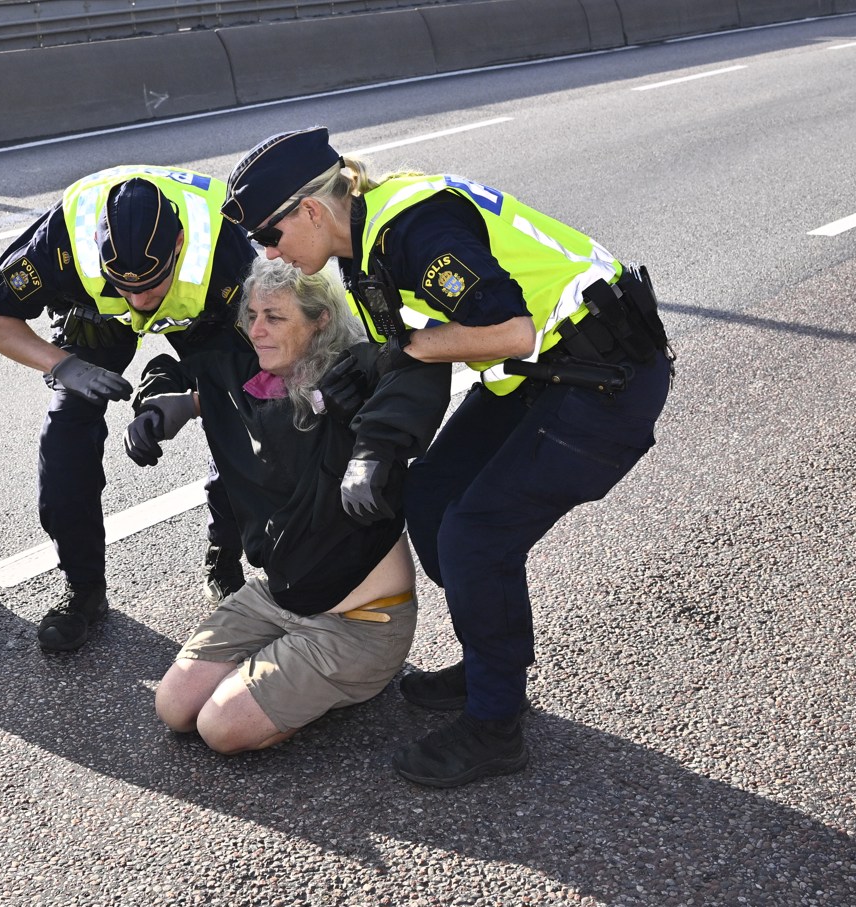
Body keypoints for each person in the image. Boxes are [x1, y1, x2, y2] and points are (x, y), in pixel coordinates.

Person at [220, 127, 673, 785]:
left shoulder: (414, 230)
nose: (270, 252)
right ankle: (489, 659)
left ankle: (496, 725)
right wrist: (372, 412)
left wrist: (409, 350)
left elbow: (506, 330)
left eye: (272, 234)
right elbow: (409, 357)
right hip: (543, 375)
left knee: (475, 535)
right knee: (431, 499)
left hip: (605, 380)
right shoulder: (360, 247)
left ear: (312, 210)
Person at [126, 256, 451, 753]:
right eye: (252, 316)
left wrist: (371, 445)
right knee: (173, 707)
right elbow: (189, 363)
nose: (256, 330)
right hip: (278, 593)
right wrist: (164, 400)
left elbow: (413, 372)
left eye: (274, 317)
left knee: (220, 729)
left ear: (319, 320)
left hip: (358, 623)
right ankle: (275, 676)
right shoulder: (256, 374)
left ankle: (337, 684)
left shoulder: (355, 373)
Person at [0, 166, 256, 653]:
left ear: (181, 243)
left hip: (204, 309)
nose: (140, 301)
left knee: (236, 419)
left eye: (150, 284)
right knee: (63, 439)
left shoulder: (229, 249)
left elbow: (271, 373)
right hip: (97, 315)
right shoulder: (59, 242)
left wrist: (190, 402)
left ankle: (224, 560)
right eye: (125, 284)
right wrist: (63, 366)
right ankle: (84, 592)